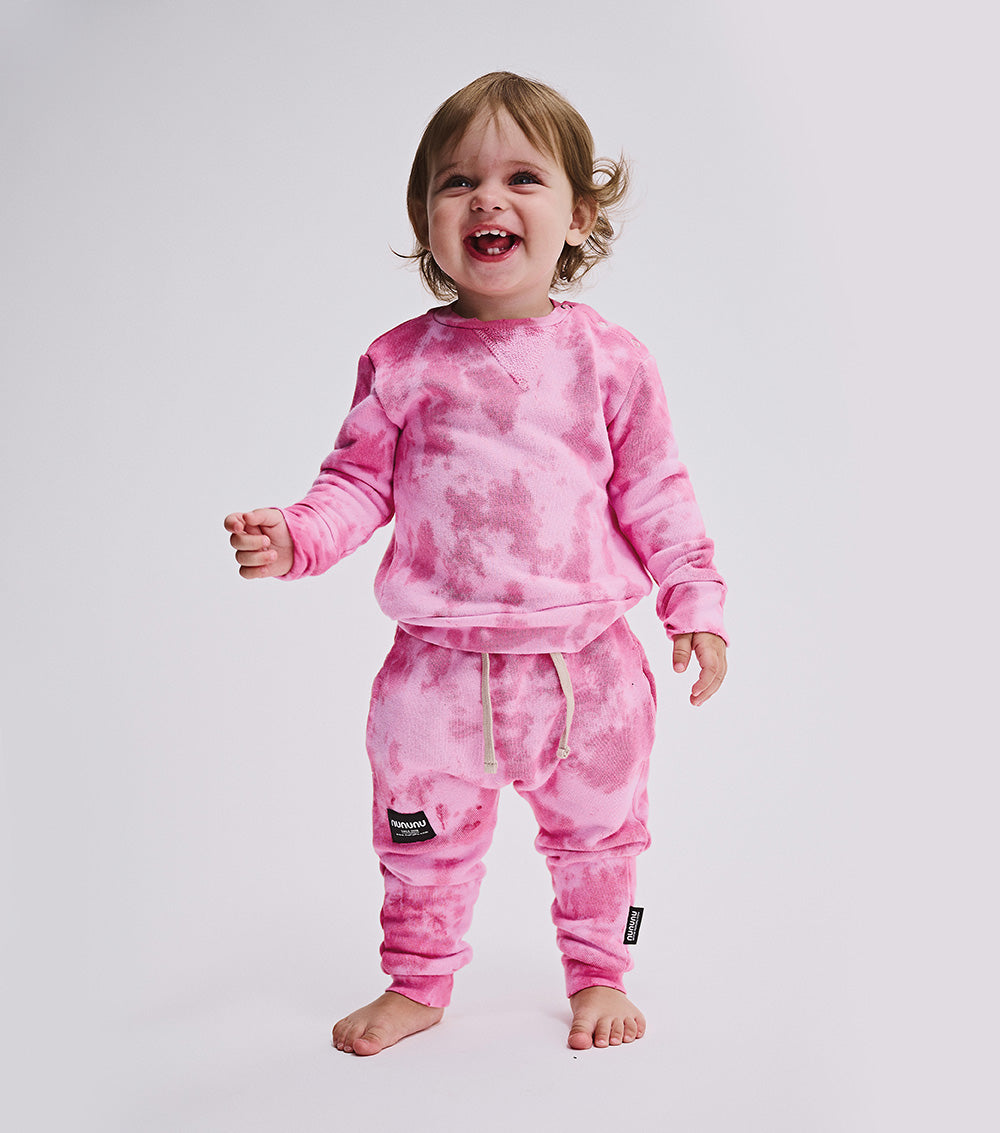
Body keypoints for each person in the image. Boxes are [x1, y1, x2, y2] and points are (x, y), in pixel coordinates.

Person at [224, 72, 728, 1056]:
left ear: (578, 216)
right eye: (457, 182)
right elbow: (355, 484)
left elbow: (658, 493)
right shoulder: (402, 362)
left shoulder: (611, 360)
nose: (487, 199)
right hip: (436, 676)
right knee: (417, 838)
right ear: (427, 218)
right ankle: (416, 979)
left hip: (588, 671)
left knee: (602, 836)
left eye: (522, 178)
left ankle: (599, 972)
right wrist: (296, 536)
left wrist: (695, 602)